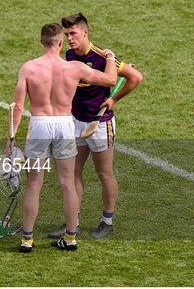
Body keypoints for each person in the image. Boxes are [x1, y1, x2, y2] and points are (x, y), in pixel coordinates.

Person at [7, 23, 118, 252]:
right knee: (68, 183)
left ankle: (27, 239)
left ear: (41, 42)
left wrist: (11, 137)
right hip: (65, 126)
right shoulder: (74, 68)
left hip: (39, 126)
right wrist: (109, 57)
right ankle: (70, 238)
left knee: (34, 184)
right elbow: (110, 80)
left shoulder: (28, 68)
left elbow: (18, 107)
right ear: (60, 43)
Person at [48, 13, 143, 239]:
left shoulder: (103, 58)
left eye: (73, 33)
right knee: (73, 173)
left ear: (85, 32)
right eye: (67, 34)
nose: (69, 38)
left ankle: (107, 220)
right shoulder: (70, 55)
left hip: (100, 125)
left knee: (104, 173)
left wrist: (114, 99)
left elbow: (136, 77)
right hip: (77, 122)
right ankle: (74, 222)